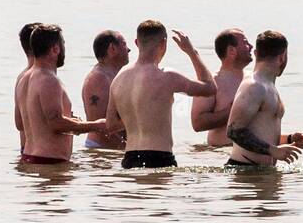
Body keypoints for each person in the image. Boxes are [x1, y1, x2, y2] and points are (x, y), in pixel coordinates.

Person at [106, 20, 217, 169]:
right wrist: (191, 52)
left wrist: (137, 116)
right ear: (163, 43)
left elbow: (111, 125)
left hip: (129, 158)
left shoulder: (119, 78)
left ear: (136, 42)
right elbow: (210, 88)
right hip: (159, 157)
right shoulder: (167, 76)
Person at [14, 24, 108, 164]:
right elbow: (56, 124)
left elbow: (20, 123)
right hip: (49, 162)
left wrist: (72, 122)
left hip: (30, 157)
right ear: (55, 49)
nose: (64, 49)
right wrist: (96, 125)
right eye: (63, 44)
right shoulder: (48, 80)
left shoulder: (24, 78)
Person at [225, 31, 303, 168]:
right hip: (244, 173)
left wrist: (289, 139)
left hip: (262, 173)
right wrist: (274, 150)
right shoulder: (254, 86)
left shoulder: (268, 86)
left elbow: (261, 133)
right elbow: (234, 131)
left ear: (255, 53)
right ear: (283, 57)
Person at [191, 28, 252, 147]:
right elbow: (198, 123)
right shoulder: (213, 83)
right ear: (231, 51)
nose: (251, 46)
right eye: (245, 43)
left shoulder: (254, 80)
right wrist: (232, 110)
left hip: (252, 154)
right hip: (220, 154)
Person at [82, 30, 130, 150]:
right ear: (112, 49)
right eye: (124, 44)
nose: (128, 49)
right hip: (101, 150)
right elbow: (101, 126)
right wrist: (126, 148)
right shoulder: (98, 79)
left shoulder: (115, 75)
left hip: (114, 149)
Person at [14, 22, 41, 151]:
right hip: (36, 152)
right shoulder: (33, 77)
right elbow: (20, 123)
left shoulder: (22, 76)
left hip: (28, 150)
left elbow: (19, 123)